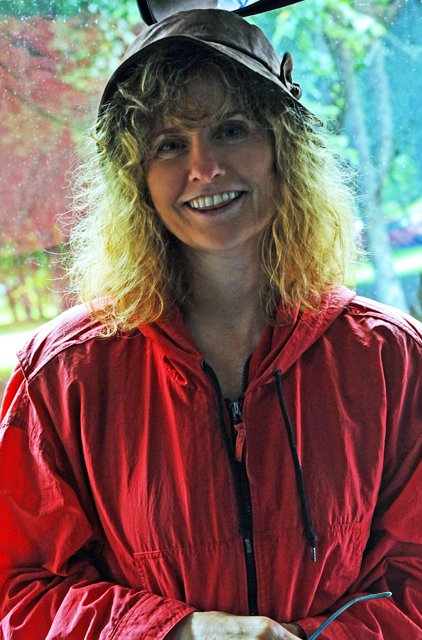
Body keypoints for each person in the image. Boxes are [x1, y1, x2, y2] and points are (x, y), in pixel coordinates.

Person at [0, 8, 421, 640]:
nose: (205, 167)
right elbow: (21, 588)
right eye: (170, 144)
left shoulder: (391, 358)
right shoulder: (64, 375)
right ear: (136, 178)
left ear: (284, 149)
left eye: (231, 129)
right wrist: (182, 632)